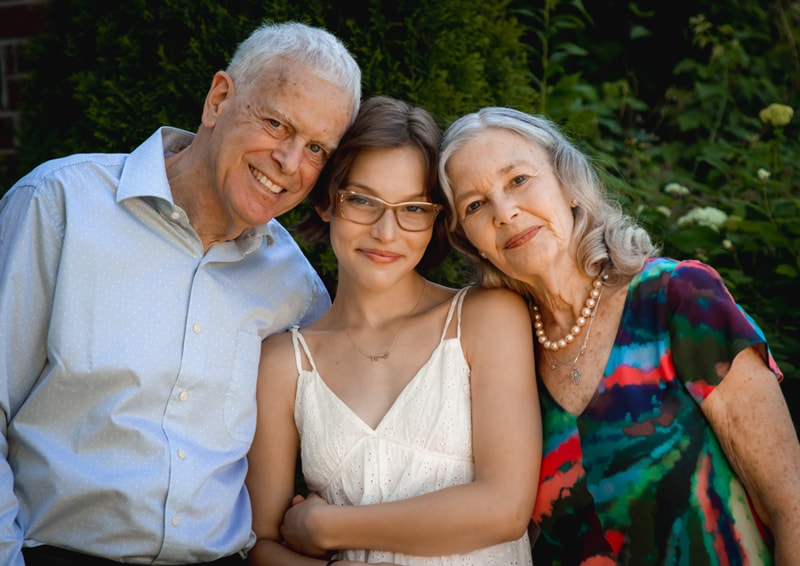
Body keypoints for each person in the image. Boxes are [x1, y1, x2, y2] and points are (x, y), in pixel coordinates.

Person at [0, 21, 361, 565]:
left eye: (315, 148)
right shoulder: (58, 206)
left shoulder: (295, 285)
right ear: (219, 99)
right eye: (275, 123)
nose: (289, 163)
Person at [436, 106, 800, 565]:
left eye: (518, 180)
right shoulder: (502, 361)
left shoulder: (680, 298)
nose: (504, 212)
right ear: (469, 241)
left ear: (568, 185)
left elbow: (792, 505)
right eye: (474, 205)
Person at [245, 95, 541, 565]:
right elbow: (260, 546)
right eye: (363, 200)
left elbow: (505, 509)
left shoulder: (486, 319)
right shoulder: (285, 363)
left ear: (436, 218)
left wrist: (325, 525)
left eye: (413, 208)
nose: (387, 232)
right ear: (327, 202)